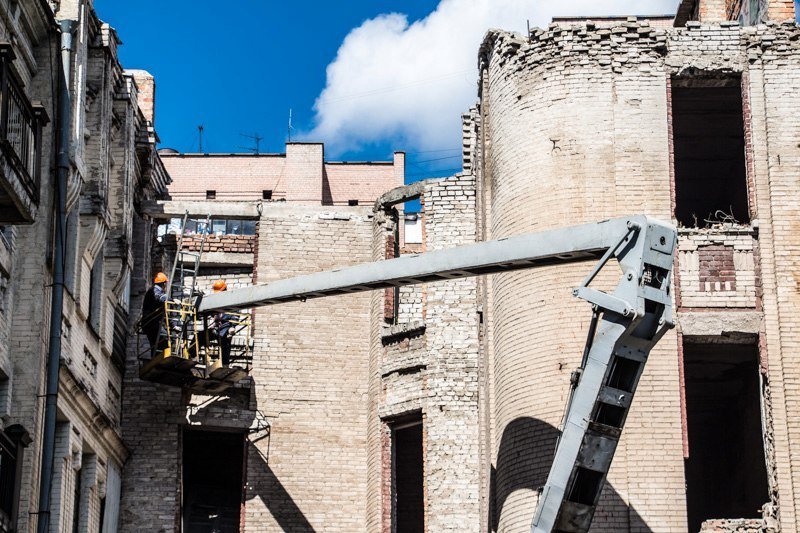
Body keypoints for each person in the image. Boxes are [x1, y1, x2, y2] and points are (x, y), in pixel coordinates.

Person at [141, 272, 169, 355]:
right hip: (151, 323)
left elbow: (164, 312)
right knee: (164, 337)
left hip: (149, 323)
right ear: (163, 283)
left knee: (155, 344)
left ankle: (156, 357)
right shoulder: (154, 290)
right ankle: (161, 357)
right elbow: (159, 297)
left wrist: (172, 324)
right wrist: (172, 300)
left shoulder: (154, 291)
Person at [208, 280, 235, 366]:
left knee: (225, 344)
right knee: (200, 336)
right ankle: (192, 355)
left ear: (224, 291)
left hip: (225, 328)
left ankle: (225, 365)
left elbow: (235, 316)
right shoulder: (217, 301)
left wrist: (233, 327)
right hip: (216, 328)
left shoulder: (232, 301)